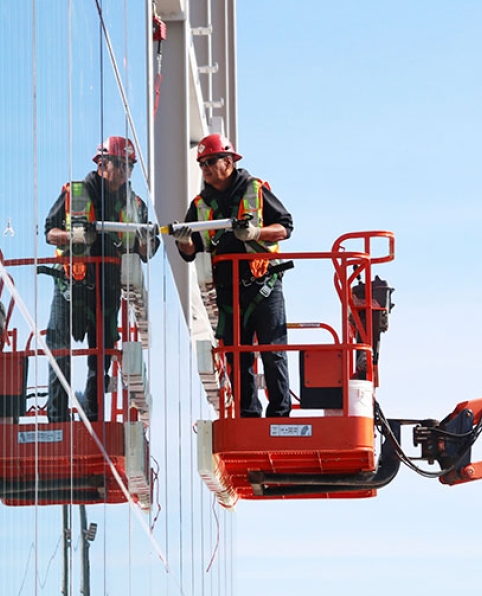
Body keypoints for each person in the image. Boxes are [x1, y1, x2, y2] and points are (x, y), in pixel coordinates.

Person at [173, 133, 294, 418]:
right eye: (202, 163)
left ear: (228, 161)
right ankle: (248, 416)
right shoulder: (200, 205)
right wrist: (183, 240)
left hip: (264, 285)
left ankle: (280, 414)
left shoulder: (255, 190)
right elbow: (190, 251)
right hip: (229, 291)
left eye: (210, 161)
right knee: (237, 356)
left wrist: (256, 233)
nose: (205, 168)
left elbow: (285, 227)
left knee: (273, 352)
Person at [44, 136, 158, 423]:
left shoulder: (135, 205)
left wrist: (146, 239)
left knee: (101, 357)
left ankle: (94, 418)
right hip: (71, 286)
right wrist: (73, 236)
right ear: (101, 164)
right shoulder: (75, 193)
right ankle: (57, 417)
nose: (123, 171)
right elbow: (50, 233)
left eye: (128, 166)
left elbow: (148, 250)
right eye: (118, 164)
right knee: (58, 348)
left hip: (107, 290)